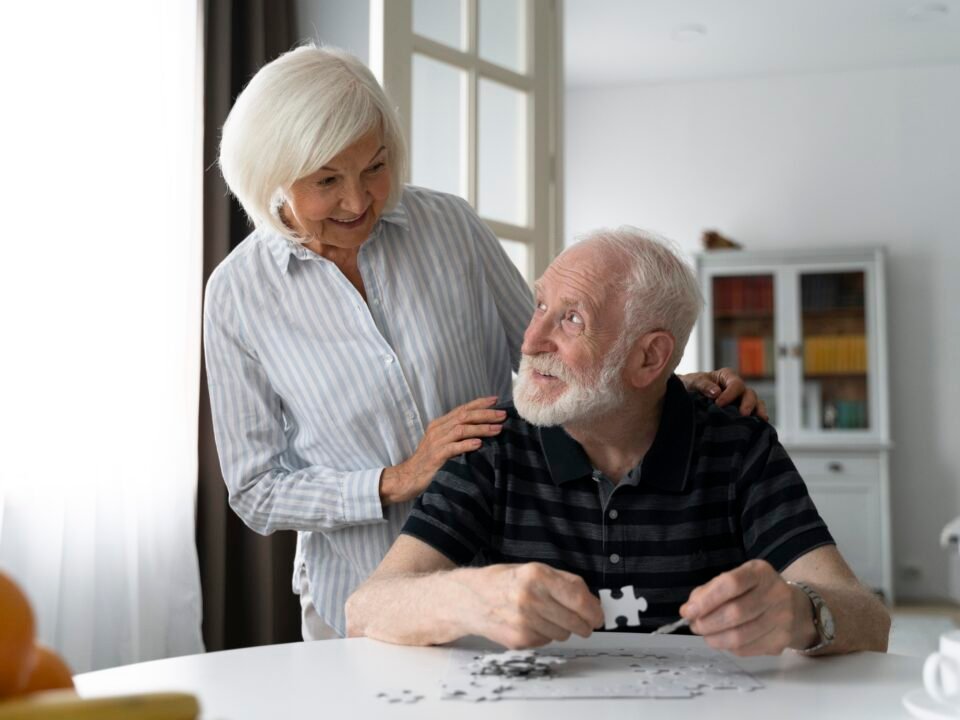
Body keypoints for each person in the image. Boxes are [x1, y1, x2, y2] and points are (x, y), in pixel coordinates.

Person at [204, 45, 763, 640]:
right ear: (271, 178)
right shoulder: (237, 295)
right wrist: (394, 478)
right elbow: (256, 489)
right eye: (326, 181)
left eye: (375, 166)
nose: (359, 199)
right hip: (360, 598)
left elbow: (555, 360)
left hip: (504, 584)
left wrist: (658, 384)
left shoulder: (449, 227)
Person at [346, 227, 891, 656]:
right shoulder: (492, 441)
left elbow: (869, 619)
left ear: (650, 358)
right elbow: (365, 609)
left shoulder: (738, 442)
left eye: (572, 319)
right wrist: (468, 598)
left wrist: (801, 614)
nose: (531, 340)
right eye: (540, 306)